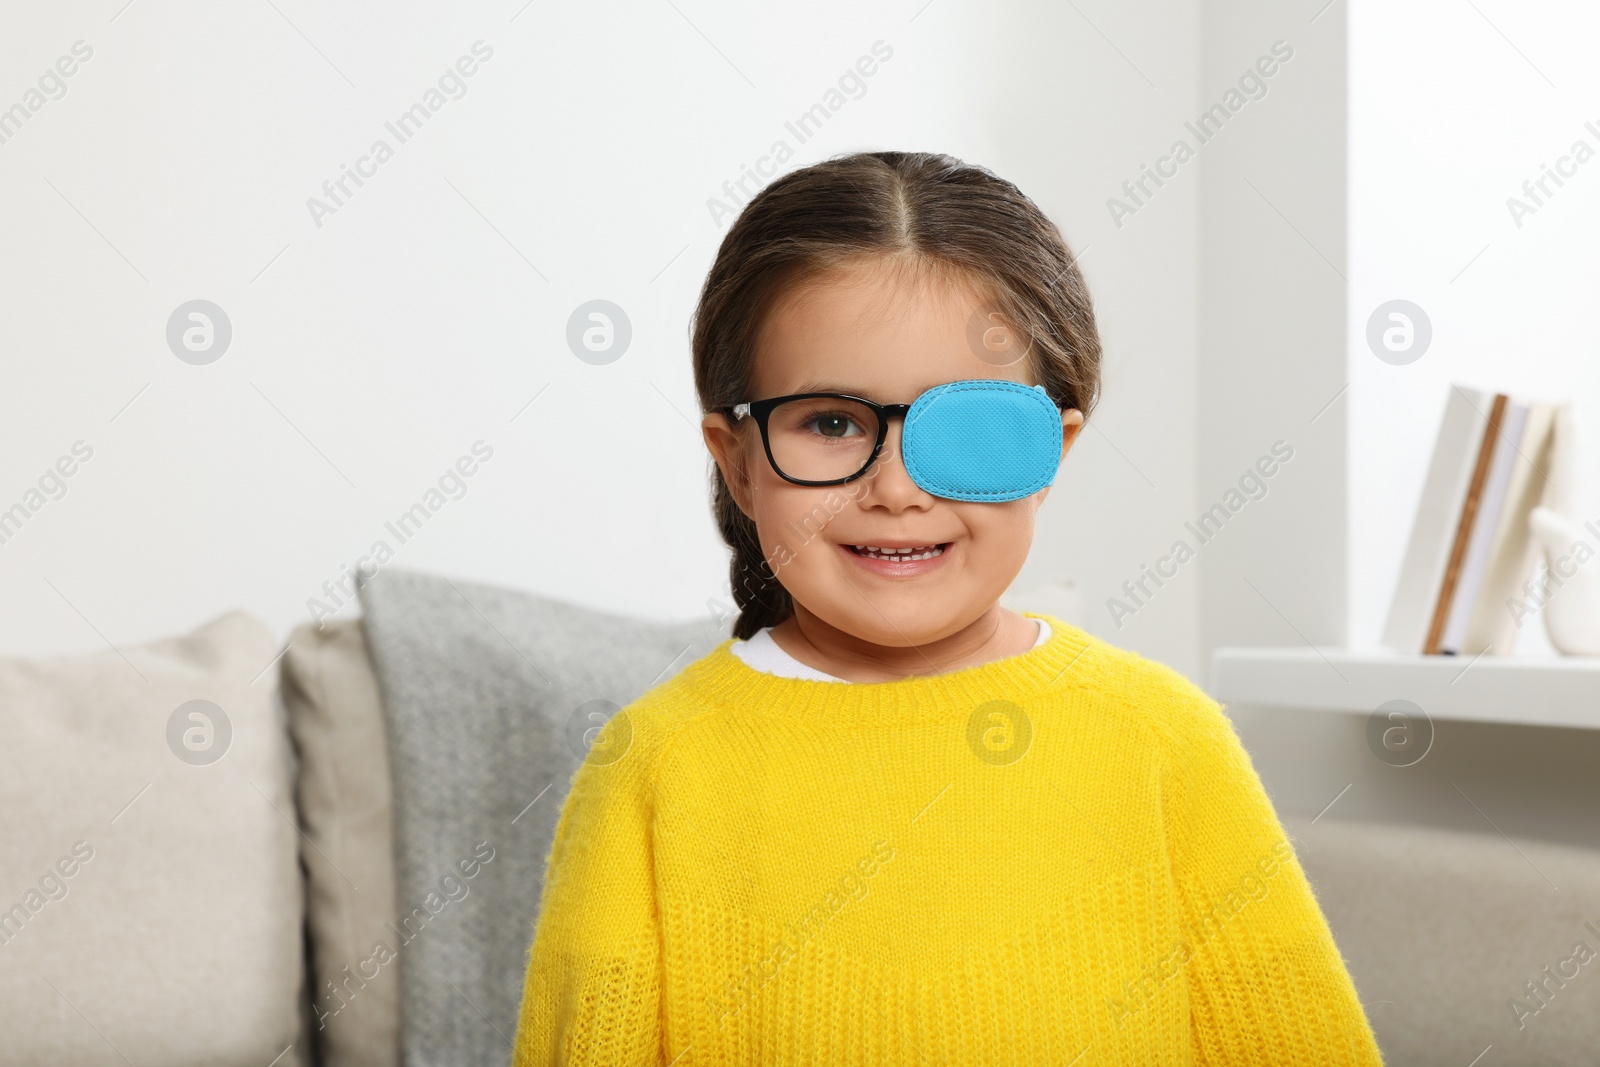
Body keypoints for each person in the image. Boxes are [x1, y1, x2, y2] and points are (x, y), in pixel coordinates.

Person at [511, 150, 1384, 1064]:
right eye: (832, 422)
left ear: (1053, 451)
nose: (896, 488)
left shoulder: (1164, 739)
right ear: (737, 459)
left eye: (964, 429)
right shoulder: (651, 768)